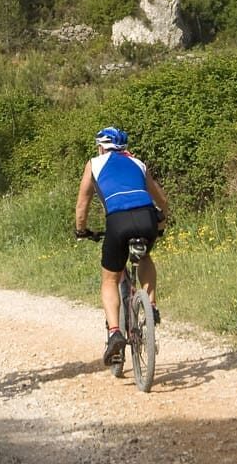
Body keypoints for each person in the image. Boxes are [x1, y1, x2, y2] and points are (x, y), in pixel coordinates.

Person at [75, 126, 169, 366]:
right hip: (147, 217)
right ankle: (152, 305)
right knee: (145, 258)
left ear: (100, 146)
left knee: (110, 279)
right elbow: (162, 200)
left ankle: (114, 331)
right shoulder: (138, 163)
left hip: (118, 221)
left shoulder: (94, 163)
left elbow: (82, 203)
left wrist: (81, 229)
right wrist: (162, 220)